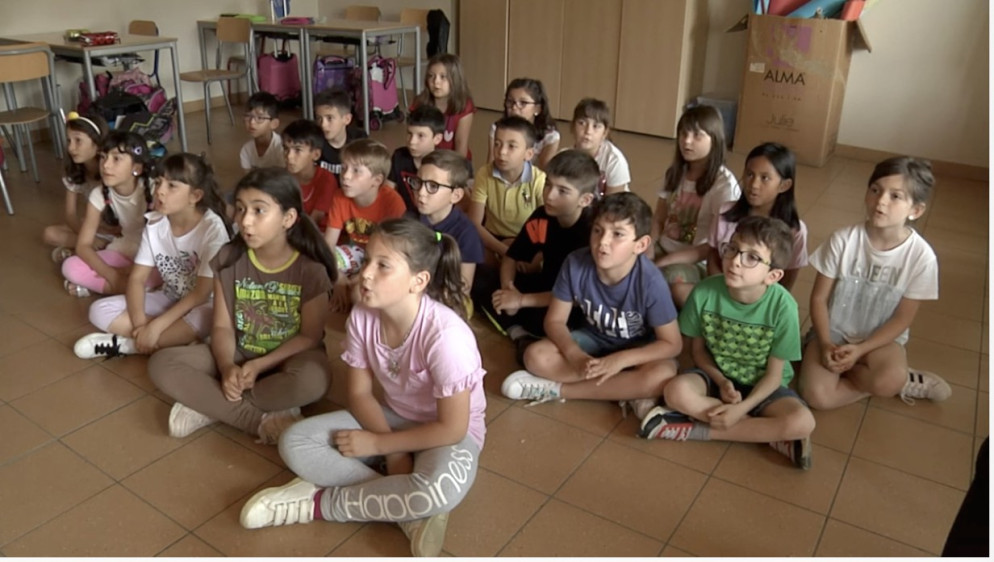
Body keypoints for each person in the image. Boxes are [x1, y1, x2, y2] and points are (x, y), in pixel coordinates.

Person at [238, 219, 486, 559]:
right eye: (367, 260)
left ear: (418, 281)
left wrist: (381, 444)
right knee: (295, 442)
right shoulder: (363, 316)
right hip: (394, 417)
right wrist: (393, 453)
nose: (365, 274)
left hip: (450, 433)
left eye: (383, 266)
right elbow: (359, 395)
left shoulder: (447, 337)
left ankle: (318, 502)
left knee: (437, 491)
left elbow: (452, 428)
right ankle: (405, 507)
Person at [148, 167, 336, 445]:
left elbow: (309, 337)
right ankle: (257, 419)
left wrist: (259, 365)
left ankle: (211, 405)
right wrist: (226, 367)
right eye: (240, 209)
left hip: (290, 359)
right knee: (162, 364)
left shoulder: (310, 270)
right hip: (239, 351)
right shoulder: (228, 259)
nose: (245, 221)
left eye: (259, 210)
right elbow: (222, 327)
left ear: (288, 218)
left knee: (314, 380)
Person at [639, 216, 815, 470]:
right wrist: (721, 381)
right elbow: (697, 352)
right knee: (675, 391)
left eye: (752, 257)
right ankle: (768, 435)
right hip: (716, 376)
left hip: (763, 385)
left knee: (803, 422)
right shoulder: (704, 292)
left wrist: (741, 408)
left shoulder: (784, 307)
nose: (735, 261)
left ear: (773, 275)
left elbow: (775, 376)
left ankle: (696, 430)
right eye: (733, 248)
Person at [501, 193, 681, 419]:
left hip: (637, 349)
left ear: (641, 245)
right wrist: (575, 356)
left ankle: (558, 390)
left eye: (618, 234)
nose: (603, 242)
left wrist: (621, 360)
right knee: (535, 356)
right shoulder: (575, 263)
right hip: (594, 340)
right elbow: (554, 321)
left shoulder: (651, 282)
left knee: (662, 376)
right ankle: (625, 389)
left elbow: (672, 344)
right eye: (597, 230)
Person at [798, 156, 951, 409]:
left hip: (881, 341)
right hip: (833, 334)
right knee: (816, 397)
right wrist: (825, 343)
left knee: (889, 381)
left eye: (895, 196)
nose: (880, 201)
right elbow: (818, 299)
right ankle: (869, 378)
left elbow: (902, 319)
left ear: (915, 210)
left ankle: (893, 380)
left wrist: (860, 350)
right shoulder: (842, 240)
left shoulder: (921, 257)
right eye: (875, 190)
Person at [73, 153, 232, 359]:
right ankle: (174, 340)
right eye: (158, 183)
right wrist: (141, 325)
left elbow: (201, 294)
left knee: (208, 317)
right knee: (99, 310)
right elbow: (137, 279)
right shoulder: (155, 222)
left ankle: (126, 345)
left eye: (172, 186)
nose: (160, 191)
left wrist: (156, 326)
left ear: (195, 196)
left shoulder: (212, 229)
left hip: (204, 304)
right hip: (170, 295)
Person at [472, 149, 598, 364]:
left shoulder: (593, 233)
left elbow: (578, 297)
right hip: (544, 286)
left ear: (585, 199)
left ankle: (527, 333)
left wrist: (521, 301)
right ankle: (520, 334)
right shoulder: (543, 216)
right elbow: (512, 257)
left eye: (563, 191)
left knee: (551, 321)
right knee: (480, 279)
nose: (549, 195)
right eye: (548, 184)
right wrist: (508, 289)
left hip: (571, 304)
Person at [650, 105, 741, 306]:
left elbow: (712, 247)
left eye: (697, 135)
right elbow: (659, 217)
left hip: (697, 261)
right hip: (663, 247)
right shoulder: (675, 173)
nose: (687, 141)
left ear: (714, 139)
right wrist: (648, 246)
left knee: (667, 276)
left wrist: (664, 261)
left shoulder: (724, 185)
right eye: (683, 133)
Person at [61, 131, 153, 298]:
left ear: (136, 168)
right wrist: (113, 275)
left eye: (116, 159)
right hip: (125, 248)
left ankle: (103, 288)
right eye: (103, 157)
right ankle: (136, 290)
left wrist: (127, 271)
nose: (106, 165)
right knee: (70, 266)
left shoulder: (154, 189)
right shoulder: (99, 193)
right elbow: (83, 246)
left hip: (154, 255)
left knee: (163, 271)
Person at [707, 142, 807, 289]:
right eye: (749, 174)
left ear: (784, 185)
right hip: (721, 289)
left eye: (764, 178)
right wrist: (723, 291)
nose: (753, 184)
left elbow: (788, 278)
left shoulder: (795, 230)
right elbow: (713, 256)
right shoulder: (726, 212)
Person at [324, 139, 406, 312]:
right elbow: (328, 244)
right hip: (354, 253)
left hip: (380, 258)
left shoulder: (393, 202)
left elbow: (391, 253)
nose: (346, 176)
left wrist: (359, 277)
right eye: (344, 168)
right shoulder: (340, 196)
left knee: (357, 294)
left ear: (376, 180)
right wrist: (338, 278)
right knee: (313, 263)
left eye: (356, 171)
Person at [468, 116, 546, 267]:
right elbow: (474, 223)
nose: (502, 152)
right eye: (497, 144)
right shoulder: (484, 174)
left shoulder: (539, 180)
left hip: (526, 241)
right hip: (492, 240)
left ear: (529, 154)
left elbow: (546, 227)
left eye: (511, 146)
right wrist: (506, 252)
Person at [412, 149, 483, 304]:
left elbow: (463, 290)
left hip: (445, 301)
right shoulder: (409, 219)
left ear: (456, 195)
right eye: (418, 182)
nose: (421, 192)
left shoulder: (466, 233)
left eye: (433, 186)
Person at [43, 111, 110, 263]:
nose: (71, 148)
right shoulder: (74, 173)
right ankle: (93, 248)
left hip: (117, 230)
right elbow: (70, 215)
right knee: (49, 234)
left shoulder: (110, 171)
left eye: (78, 140)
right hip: (94, 227)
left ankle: (90, 250)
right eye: (69, 141)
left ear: (98, 144)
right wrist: (87, 238)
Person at [410, 53, 475, 162]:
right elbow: (414, 138)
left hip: (453, 161)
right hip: (425, 158)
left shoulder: (464, 106)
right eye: (431, 76)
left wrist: (456, 169)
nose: (436, 82)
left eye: (443, 77)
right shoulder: (419, 102)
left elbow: (460, 144)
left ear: (455, 79)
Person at [486, 78, 559, 169]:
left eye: (523, 103)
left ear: (537, 108)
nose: (514, 107)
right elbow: (491, 166)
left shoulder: (550, 136)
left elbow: (545, 172)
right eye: (510, 102)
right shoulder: (497, 128)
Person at [387, 104, 446, 216]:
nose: (412, 142)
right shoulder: (399, 156)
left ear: (437, 139)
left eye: (421, 136)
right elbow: (388, 192)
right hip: (403, 217)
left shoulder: (444, 165)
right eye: (409, 133)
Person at [282, 119, 339, 231]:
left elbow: (313, 220)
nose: (289, 156)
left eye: (297, 150)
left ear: (316, 154)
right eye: (286, 149)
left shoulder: (326, 179)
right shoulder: (282, 178)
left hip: (317, 234)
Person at [570, 98, 630, 197]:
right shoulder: (566, 156)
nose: (588, 131)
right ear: (572, 127)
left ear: (604, 133)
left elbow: (614, 202)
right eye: (582, 123)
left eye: (596, 126)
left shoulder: (614, 161)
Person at [314, 88, 368, 182]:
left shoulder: (359, 140)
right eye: (319, 118)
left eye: (329, 118)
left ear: (347, 119)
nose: (323, 124)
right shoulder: (314, 141)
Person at [239, 92, 284, 172]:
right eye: (248, 116)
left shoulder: (281, 148)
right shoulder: (246, 150)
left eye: (260, 118)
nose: (252, 122)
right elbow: (248, 177)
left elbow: (284, 178)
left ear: (274, 123)